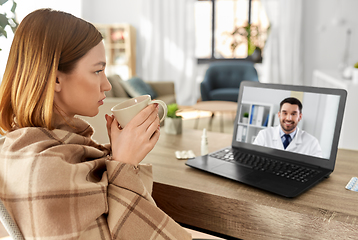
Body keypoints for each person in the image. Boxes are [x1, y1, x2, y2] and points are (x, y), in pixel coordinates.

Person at [0, 9, 191, 239]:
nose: (107, 85)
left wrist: (119, 157)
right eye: (98, 70)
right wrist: (123, 164)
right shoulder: (46, 170)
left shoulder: (21, 147)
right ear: (56, 78)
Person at [253, 97, 322, 158]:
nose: (289, 118)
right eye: (285, 113)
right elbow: (254, 159)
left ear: (300, 117)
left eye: (293, 114)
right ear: (279, 115)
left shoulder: (312, 142)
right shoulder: (264, 135)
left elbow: (318, 168)